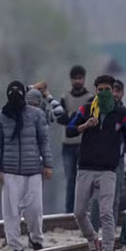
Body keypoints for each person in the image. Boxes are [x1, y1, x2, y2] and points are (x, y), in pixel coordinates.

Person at [65, 75, 126, 251]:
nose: (104, 92)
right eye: (100, 89)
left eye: (107, 89)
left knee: (106, 211)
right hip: (85, 167)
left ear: (113, 91)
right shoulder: (86, 109)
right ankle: (92, 238)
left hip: (108, 169)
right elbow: (69, 130)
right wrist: (85, 125)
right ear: (95, 90)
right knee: (79, 212)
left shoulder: (123, 113)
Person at [0, 82, 54, 251]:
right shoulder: (0, 117)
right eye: (11, 92)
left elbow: (44, 141)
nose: (15, 96)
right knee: (11, 213)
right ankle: (15, 246)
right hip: (10, 171)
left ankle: (36, 239)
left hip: (33, 169)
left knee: (34, 210)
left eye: (18, 92)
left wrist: (48, 164)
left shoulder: (36, 115)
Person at [57, 65, 91, 213]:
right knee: (70, 179)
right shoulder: (65, 98)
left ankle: (84, 210)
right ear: (71, 80)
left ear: (84, 79)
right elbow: (59, 118)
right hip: (68, 144)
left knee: (85, 180)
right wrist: (77, 116)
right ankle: (69, 212)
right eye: (75, 78)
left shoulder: (90, 98)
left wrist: (71, 115)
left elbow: (90, 117)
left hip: (85, 144)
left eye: (80, 78)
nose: (78, 81)